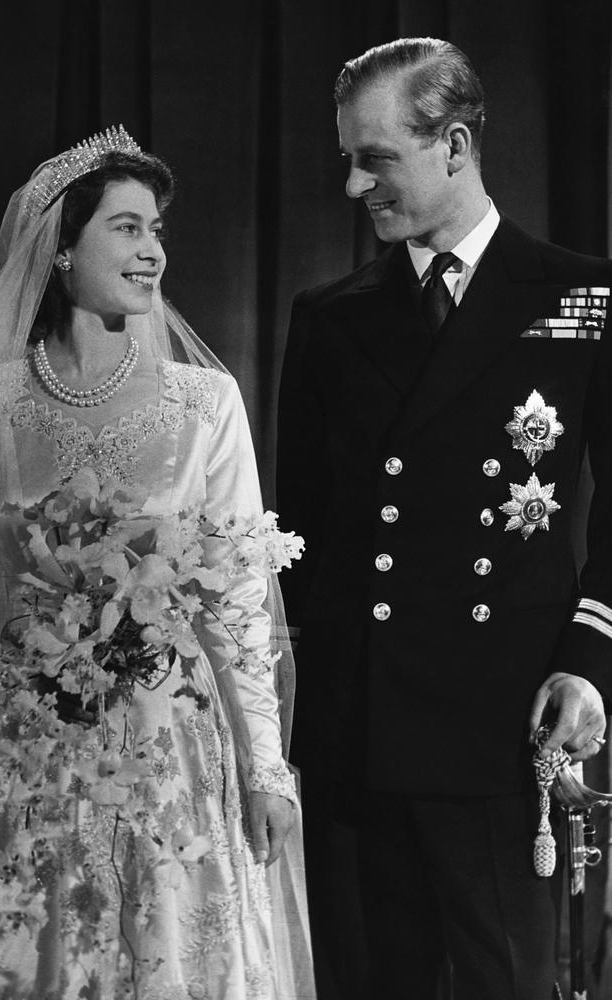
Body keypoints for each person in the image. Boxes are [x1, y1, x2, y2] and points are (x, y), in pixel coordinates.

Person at [277, 37, 612, 1000]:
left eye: (374, 158)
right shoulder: (330, 316)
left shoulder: (583, 297)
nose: (352, 185)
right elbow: (299, 534)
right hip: (358, 732)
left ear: (455, 145)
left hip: (500, 726)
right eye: (348, 157)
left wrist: (591, 665)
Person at [0, 127, 314, 1000]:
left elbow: (238, 602)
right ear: (60, 249)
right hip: (31, 754)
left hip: (172, 750)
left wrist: (266, 770)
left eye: (155, 228)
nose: (153, 249)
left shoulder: (206, 403)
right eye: (125, 227)